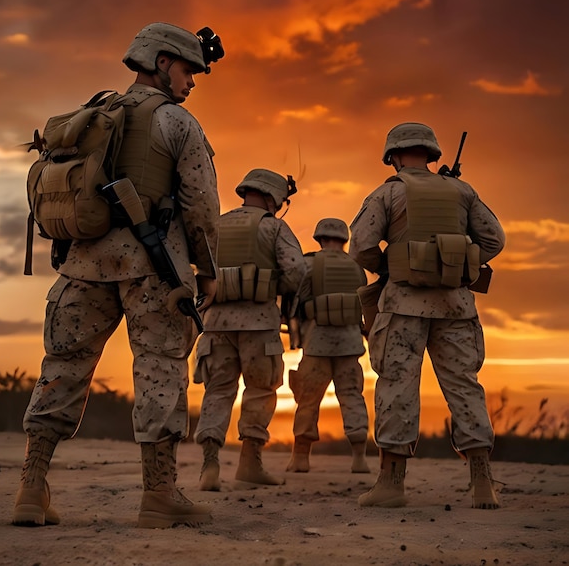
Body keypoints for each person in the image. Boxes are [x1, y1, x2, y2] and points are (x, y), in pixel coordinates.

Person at [12, 22, 224, 529]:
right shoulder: (178, 123)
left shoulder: (95, 113)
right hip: (154, 269)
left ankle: (30, 487)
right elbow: (201, 208)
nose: (192, 82)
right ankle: (159, 494)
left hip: (82, 264)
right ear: (161, 64)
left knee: (62, 367)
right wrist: (209, 271)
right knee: (160, 369)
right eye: (188, 70)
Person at [349, 122, 505, 509]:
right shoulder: (462, 191)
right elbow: (494, 240)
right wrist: (457, 263)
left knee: (398, 384)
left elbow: (362, 246)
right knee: (464, 385)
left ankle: (391, 483)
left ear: (394, 156)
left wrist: (393, 264)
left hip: (403, 304)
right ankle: (482, 481)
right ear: (432, 155)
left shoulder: (388, 192)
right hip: (455, 304)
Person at [193, 168, 306, 490]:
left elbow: (197, 270)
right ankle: (249, 463)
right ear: (272, 197)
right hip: (259, 322)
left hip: (215, 324)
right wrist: (270, 287)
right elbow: (296, 272)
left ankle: (209, 465)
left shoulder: (216, 224)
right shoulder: (273, 227)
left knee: (217, 392)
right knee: (260, 390)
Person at [286, 218, 371, 474]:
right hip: (349, 344)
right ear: (344, 240)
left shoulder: (309, 264)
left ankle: (301, 458)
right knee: (352, 397)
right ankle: (359, 458)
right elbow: (364, 306)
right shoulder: (357, 267)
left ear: (319, 239)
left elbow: (295, 302)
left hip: (317, 343)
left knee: (308, 400)